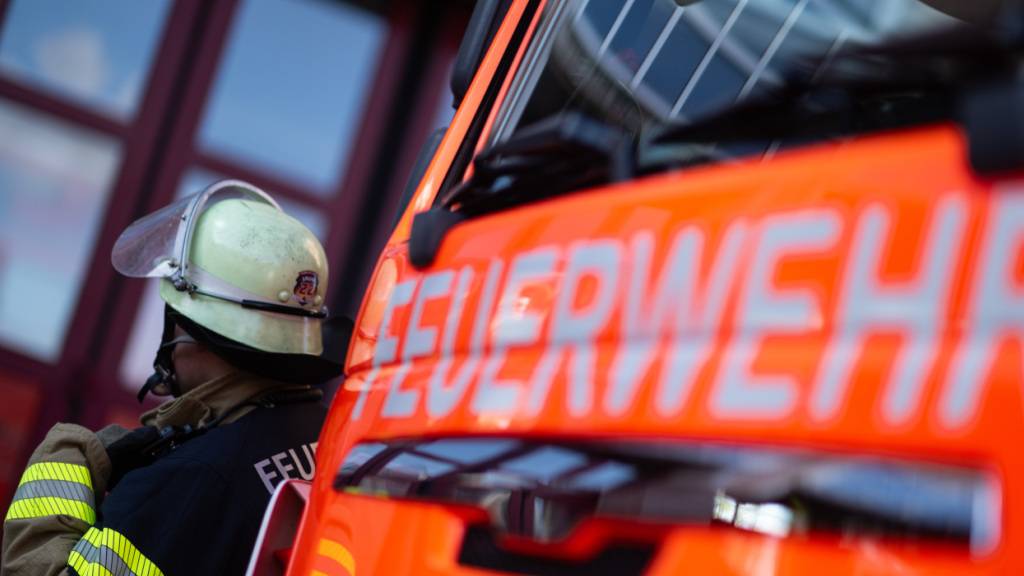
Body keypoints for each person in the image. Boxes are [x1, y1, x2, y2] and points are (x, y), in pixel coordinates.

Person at [2, 180, 346, 575]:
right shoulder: (328, 434)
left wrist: (64, 456)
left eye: (172, 316)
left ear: (196, 333)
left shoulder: (188, 479)